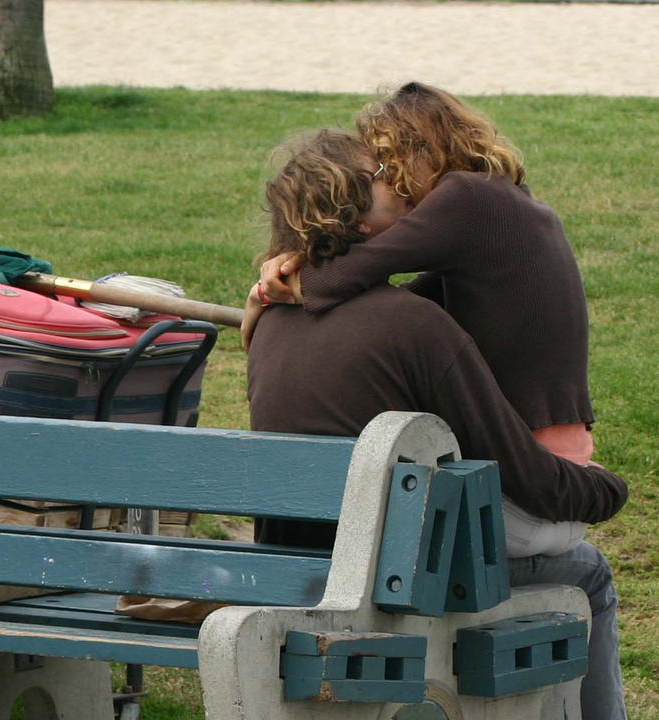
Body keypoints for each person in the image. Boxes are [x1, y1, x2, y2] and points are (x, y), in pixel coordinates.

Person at [247, 130, 644, 720]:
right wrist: (607, 490)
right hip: (391, 591)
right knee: (584, 577)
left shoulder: (267, 321)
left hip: (301, 574)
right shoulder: (416, 328)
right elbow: (522, 470)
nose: (401, 186)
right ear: (359, 212)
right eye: (381, 179)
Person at [249, 83, 593, 559]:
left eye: (390, 163)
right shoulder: (500, 205)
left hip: (531, 465)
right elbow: (385, 307)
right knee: (588, 569)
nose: (395, 182)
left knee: (580, 563)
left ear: (421, 149)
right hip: (544, 460)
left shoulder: (467, 198)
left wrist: (274, 291)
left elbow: (354, 274)